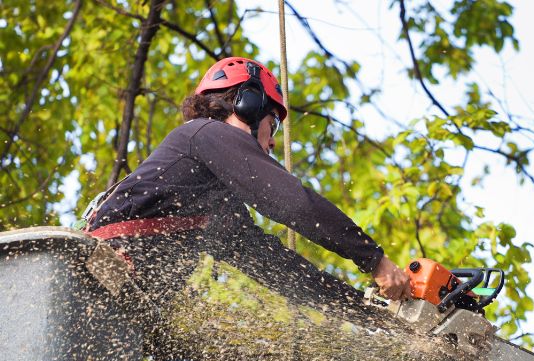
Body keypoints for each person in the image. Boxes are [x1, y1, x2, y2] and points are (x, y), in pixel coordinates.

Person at [85, 57, 411, 308]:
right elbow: (292, 202)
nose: (271, 143)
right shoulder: (204, 134)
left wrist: (364, 308)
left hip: (118, 300)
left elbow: (278, 269)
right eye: (274, 124)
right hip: (97, 273)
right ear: (248, 105)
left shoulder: (215, 203)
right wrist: (375, 260)